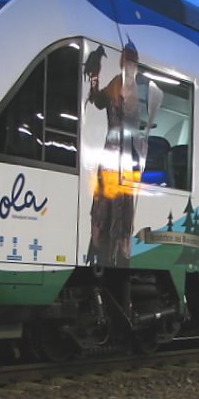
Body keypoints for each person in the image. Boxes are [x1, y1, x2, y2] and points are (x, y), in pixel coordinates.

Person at [86, 40, 141, 267]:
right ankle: (99, 253)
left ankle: (117, 257)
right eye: (127, 62)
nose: (130, 67)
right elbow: (98, 101)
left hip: (125, 160)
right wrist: (94, 78)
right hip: (111, 156)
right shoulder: (116, 84)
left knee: (121, 212)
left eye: (133, 63)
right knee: (102, 208)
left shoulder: (134, 91)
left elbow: (135, 127)